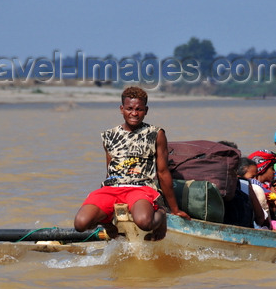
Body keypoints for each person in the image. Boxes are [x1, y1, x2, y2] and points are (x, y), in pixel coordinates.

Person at [74, 86, 189, 239]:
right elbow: (110, 170)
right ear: (121, 109)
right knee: (81, 224)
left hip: (140, 188)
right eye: (129, 108)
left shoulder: (156, 134)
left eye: (139, 109)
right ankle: (108, 222)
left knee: (144, 222)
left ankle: (161, 214)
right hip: (113, 188)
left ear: (146, 110)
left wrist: (174, 209)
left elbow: (162, 172)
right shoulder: (110, 135)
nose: (134, 113)